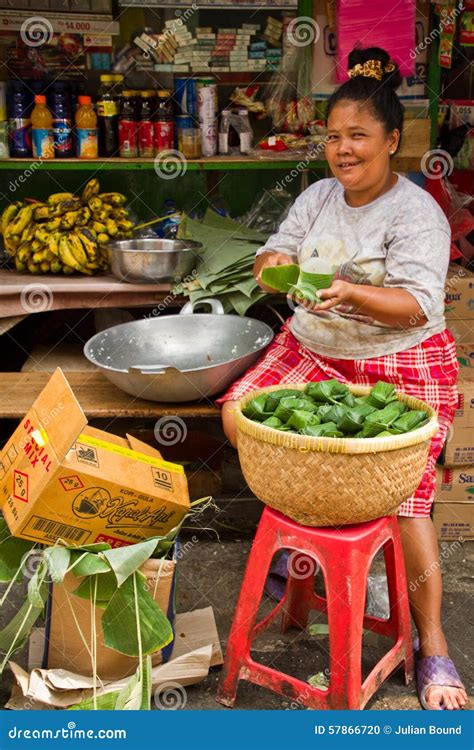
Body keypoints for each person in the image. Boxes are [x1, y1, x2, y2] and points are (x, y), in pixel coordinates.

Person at [217, 46, 468, 711]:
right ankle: (308, 557)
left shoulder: (417, 215)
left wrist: (348, 292)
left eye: (358, 135)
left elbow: (417, 304)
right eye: (333, 136)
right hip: (316, 350)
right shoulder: (318, 196)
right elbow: (280, 253)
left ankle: (434, 643)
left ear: (392, 141)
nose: (342, 149)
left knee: (409, 499)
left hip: (400, 359)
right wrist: (273, 264)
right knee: (239, 414)